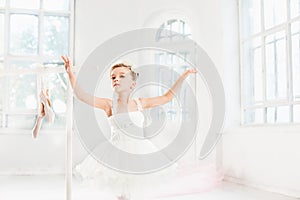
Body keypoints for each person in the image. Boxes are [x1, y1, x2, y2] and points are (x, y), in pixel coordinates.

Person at [61, 55, 197, 200]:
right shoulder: (108, 105)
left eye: (121, 76)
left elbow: (167, 97)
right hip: (116, 152)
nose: (116, 79)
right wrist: (69, 73)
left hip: (139, 150)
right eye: (113, 77)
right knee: (121, 192)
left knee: (135, 189)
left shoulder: (140, 103)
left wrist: (184, 75)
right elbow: (81, 95)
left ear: (132, 84)